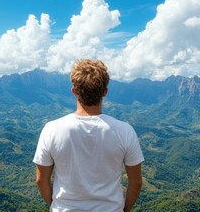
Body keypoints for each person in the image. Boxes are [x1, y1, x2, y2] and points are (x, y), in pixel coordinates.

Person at [33, 59, 144, 212]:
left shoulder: (51, 129)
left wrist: (55, 206)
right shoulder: (125, 131)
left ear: (74, 91)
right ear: (105, 91)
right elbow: (136, 182)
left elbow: (41, 180)